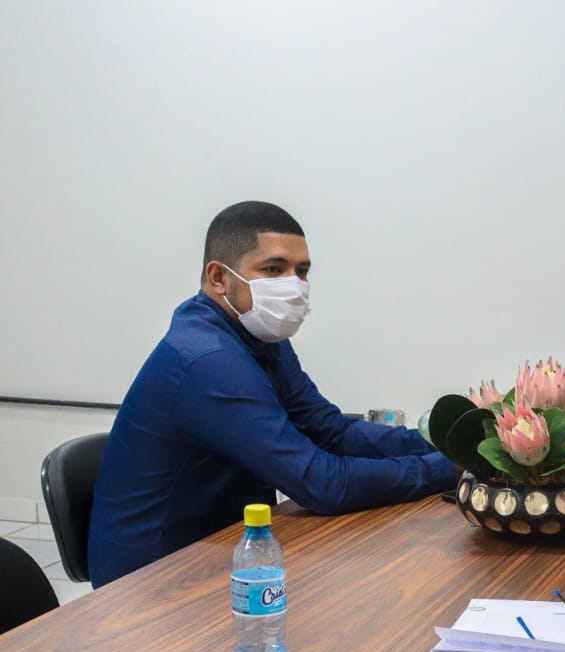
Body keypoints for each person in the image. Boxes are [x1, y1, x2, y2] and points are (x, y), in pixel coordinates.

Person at [87, 201, 456, 588]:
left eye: (302, 271)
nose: (294, 286)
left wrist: (452, 445)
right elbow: (321, 483)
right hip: (152, 579)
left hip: (227, 545)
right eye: (274, 270)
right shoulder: (209, 361)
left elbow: (331, 431)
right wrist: (449, 469)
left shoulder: (258, 336)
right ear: (218, 277)